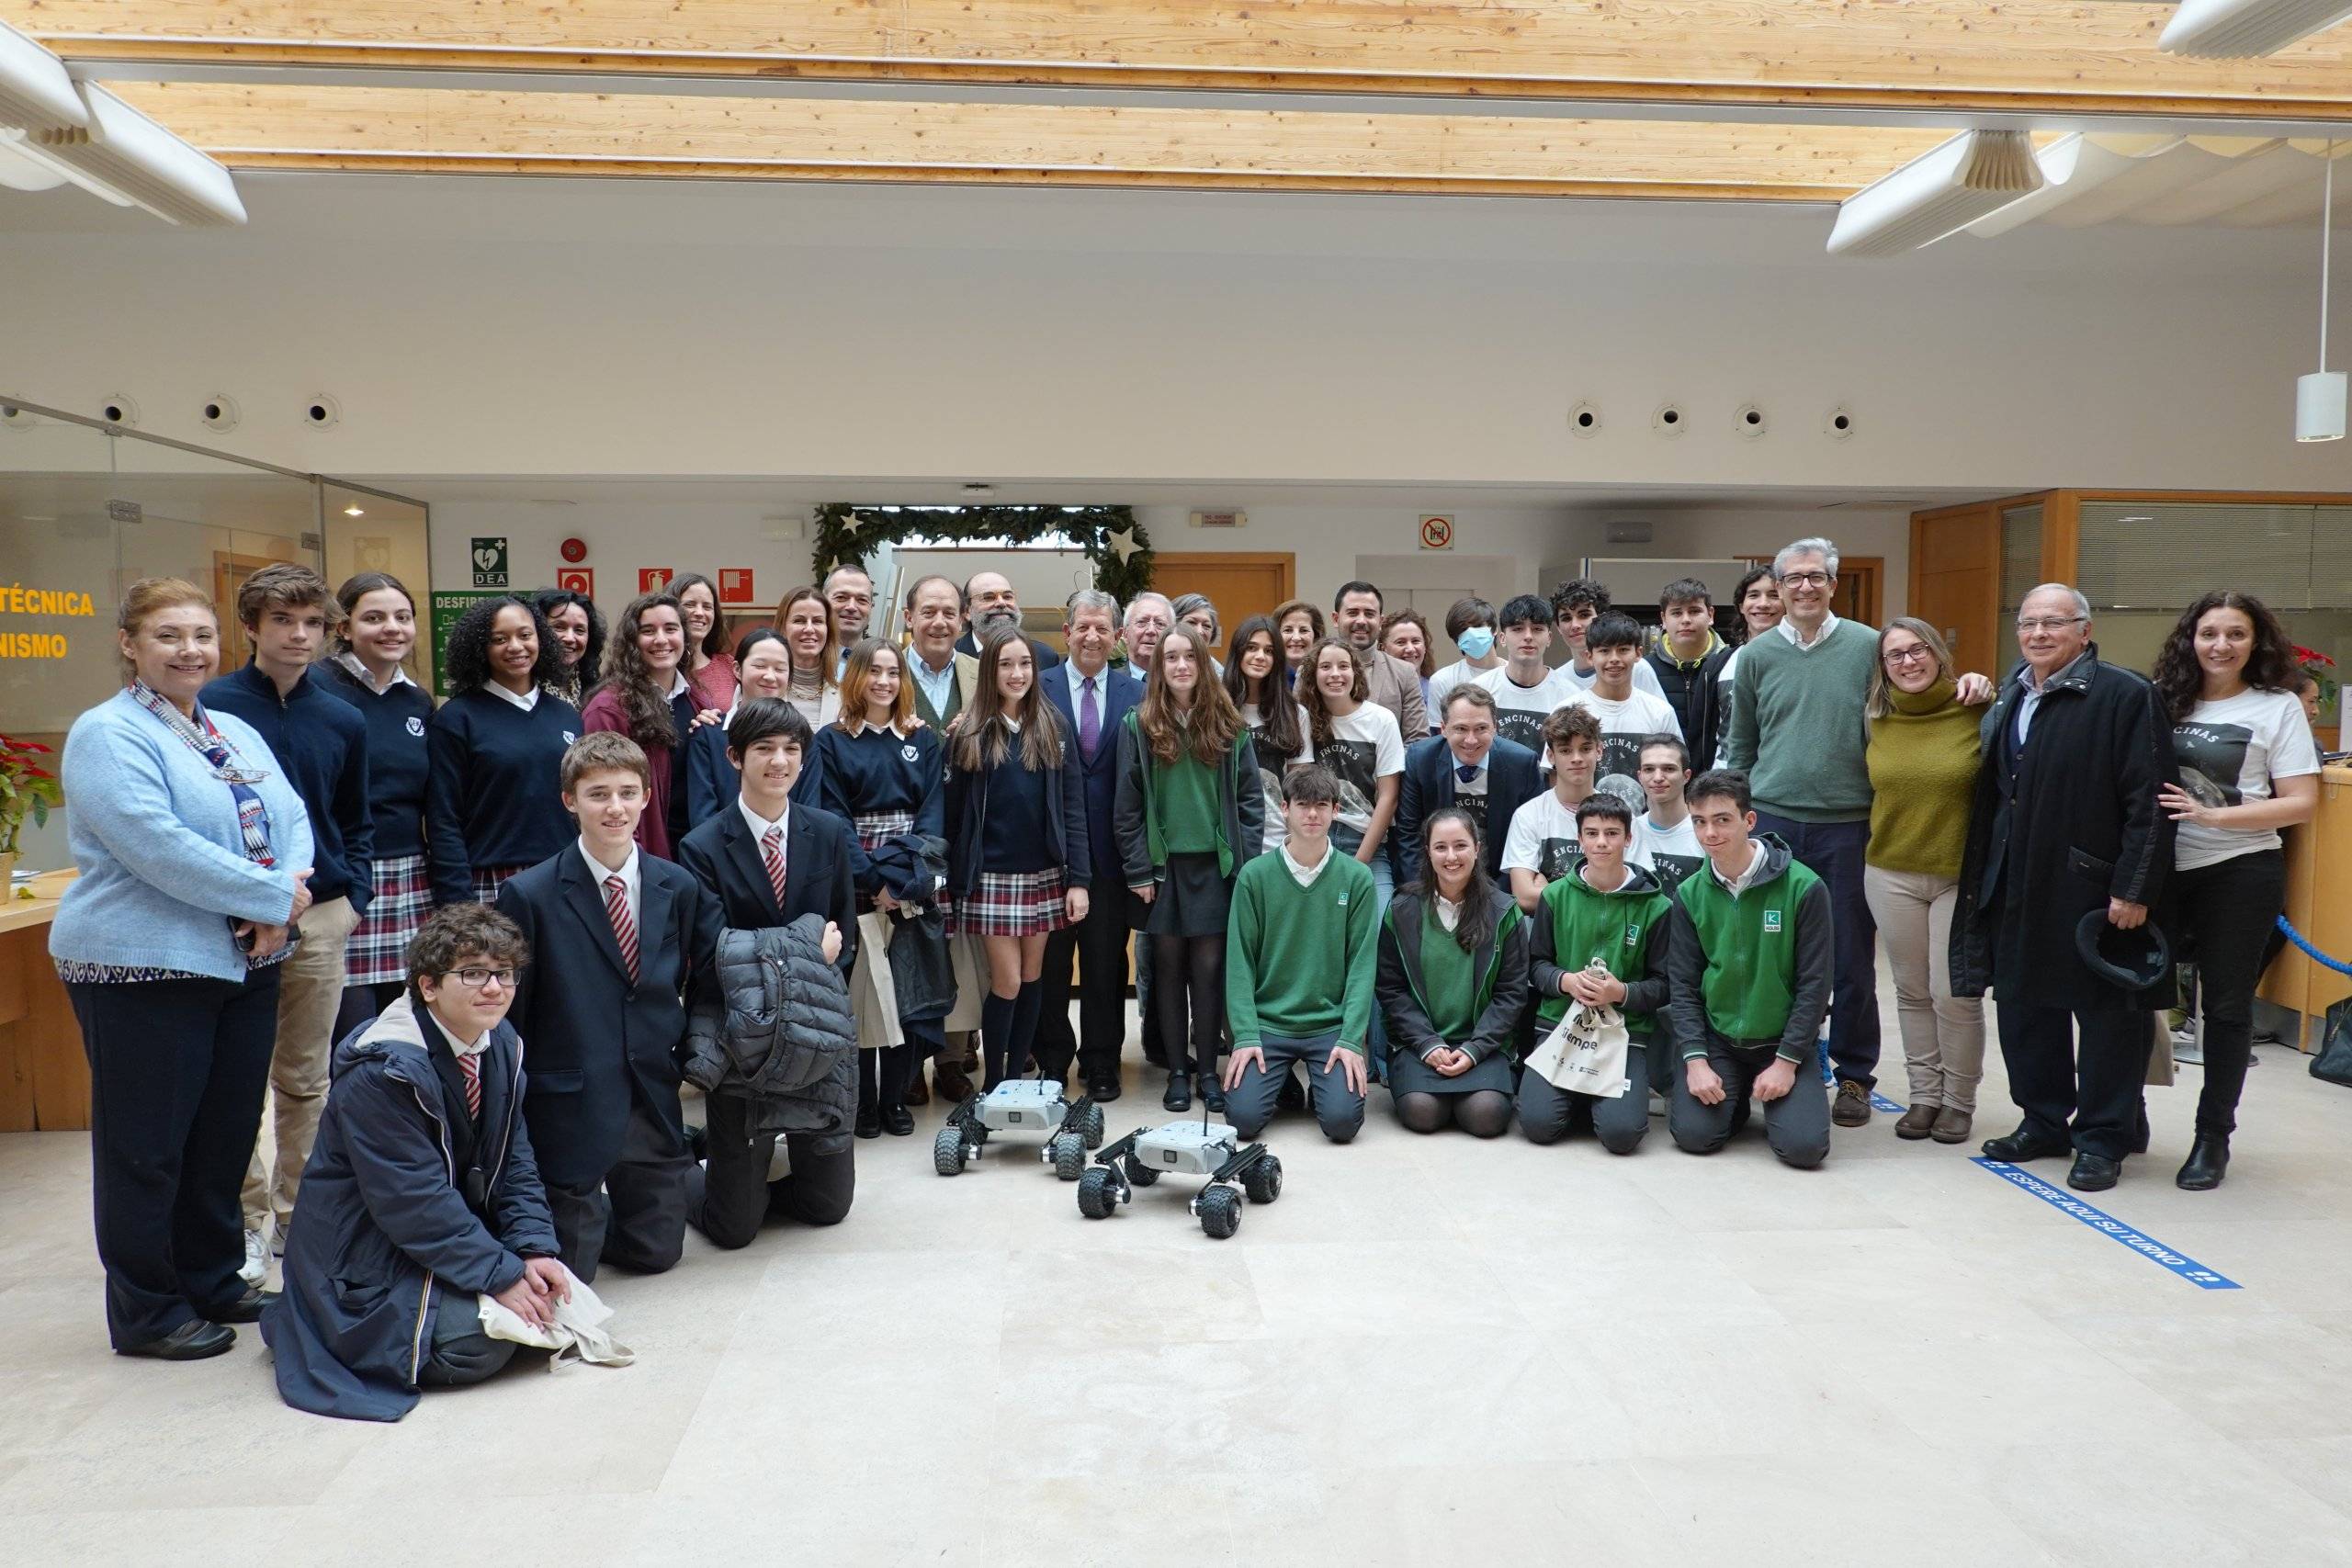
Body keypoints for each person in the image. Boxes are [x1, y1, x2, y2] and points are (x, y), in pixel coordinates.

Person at [52, 579, 313, 1360]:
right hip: (144, 965)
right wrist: (271, 893)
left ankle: (208, 1275)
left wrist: (284, 902)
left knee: (223, 1135)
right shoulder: (108, 733)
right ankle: (147, 1308)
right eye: (168, 635)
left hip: (244, 958)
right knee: (148, 1145)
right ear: (130, 644)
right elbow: (154, 841)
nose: (190, 650)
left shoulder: (230, 728)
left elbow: (291, 815)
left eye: (201, 634)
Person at [263, 904, 565, 1420]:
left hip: (430, 1231)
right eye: (472, 974)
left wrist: (532, 1249)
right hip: (361, 1254)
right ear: (427, 986)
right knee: (477, 1345)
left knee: (551, 1287)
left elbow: (515, 1161)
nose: (494, 988)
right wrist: (501, 1275)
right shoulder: (382, 1070)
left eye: (505, 973)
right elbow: (411, 1201)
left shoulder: (501, 1042)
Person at [1954, 585, 2176, 1192]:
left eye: (2055, 622)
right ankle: (2044, 1120)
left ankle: (2105, 1136)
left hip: (2094, 885)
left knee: (2107, 1018)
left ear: (2085, 629)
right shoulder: (2014, 691)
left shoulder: (2125, 695)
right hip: (2014, 879)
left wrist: (2134, 888)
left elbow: (2151, 802)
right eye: (2029, 622)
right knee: (2025, 1007)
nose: (2039, 633)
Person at [495, 734, 718, 1280]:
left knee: (656, 1255)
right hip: (569, 1098)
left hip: (650, 1091)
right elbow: (511, 1012)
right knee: (576, 1270)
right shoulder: (529, 895)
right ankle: (578, 1208)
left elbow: (705, 977)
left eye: (626, 793)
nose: (614, 808)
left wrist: (696, 1047)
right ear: (570, 800)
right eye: (598, 794)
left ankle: (674, 1179)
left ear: (647, 796)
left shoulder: (677, 885)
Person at [202, 563, 373, 1268]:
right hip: (231, 919)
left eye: (311, 623)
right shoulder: (208, 706)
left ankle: (295, 1218)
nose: (298, 636)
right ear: (250, 627)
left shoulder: (342, 715)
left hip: (322, 916)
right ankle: (238, 1223)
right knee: (234, 1074)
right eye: (282, 621)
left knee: (305, 1077)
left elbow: (356, 820)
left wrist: (352, 900)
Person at [1717, 537, 1888, 1127]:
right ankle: (1787, 1059)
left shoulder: (1869, 647)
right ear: (1779, 588)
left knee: (1849, 956)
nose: (1805, 587)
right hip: (1775, 821)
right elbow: (1741, 742)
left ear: (1833, 585)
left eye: (1816, 577)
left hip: (1847, 824)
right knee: (1776, 952)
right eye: (1794, 579)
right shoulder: (1758, 654)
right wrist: (1736, 818)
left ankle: (1856, 1077)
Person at [675, 699, 864, 1232]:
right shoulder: (703, 846)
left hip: (816, 1029)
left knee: (828, 1210)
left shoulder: (827, 832)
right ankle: (692, 1171)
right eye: (764, 749)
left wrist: (778, 958)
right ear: (735, 757)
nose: (779, 761)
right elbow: (716, 959)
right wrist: (807, 954)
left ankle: (758, 1178)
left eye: (791, 750)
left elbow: (841, 940)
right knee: (733, 1228)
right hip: (739, 1034)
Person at [2151, 591, 2319, 1190]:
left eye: (2236, 634)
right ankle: (2119, 1120)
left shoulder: (2276, 707)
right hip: (2161, 870)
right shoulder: (2165, 697)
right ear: (2190, 638)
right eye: (2209, 633)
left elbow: (2303, 800)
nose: (2221, 645)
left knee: (2224, 1009)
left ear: (2257, 641)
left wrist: (2215, 816)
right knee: (2130, 997)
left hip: (2240, 869)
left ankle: (2211, 1136)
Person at [1114, 624, 1262, 1111]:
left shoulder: (1230, 726)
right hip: (1162, 871)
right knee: (1168, 971)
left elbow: (1249, 803)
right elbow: (1127, 807)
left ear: (1203, 665)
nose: (1180, 666)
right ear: (1158, 668)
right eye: (1170, 658)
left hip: (1215, 869)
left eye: (1189, 658)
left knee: (1210, 972)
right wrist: (1138, 871)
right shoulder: (1137, 726)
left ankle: (1208, 1072)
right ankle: (1177, 1072)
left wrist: (1244, 867)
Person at [817, 638, 963, 1116]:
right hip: (857, 882)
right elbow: (835, 820)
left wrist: (904, 884)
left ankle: (897, 1098)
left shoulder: (921, 738)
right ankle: (864, 1102)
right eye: (873, 671)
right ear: (854, 678)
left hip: (911, 881)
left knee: (908, 992)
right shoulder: (831, 741)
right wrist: (874, 883)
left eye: (893, 672)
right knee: (863, 995)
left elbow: (932, 816)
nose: (884, 681)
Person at [1664, 769, 1834, 1169]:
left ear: (1749, 820)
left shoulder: (1804, 888)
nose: (1710, 833)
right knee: (1694, 1137)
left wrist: (1788, 1060)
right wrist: (1695, 1060)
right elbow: (1683, 986)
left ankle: (1774, 1095)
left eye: (1723, 819)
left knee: (1804, 1150)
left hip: (1781, 1042)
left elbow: (1815, 985)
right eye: (1699, 822)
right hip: (1719, 1041)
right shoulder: (1689, 895)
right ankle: (1734, 1100)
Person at [945, 627, 1091, 1089]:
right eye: (1006, 664)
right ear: (991, 671)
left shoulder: (1052, 726)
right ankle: (994, 1084)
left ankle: (1016, 1080)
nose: (1017, 673)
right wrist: (950, 880)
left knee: (1033, 978)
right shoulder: (969, 732)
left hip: (1044, 874)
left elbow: (1073, 810)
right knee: (1005, 982)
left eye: (1024, 664)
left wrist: (1079, 880)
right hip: (990, 877)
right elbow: (952, 818)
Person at [1863, 618, 1988, 1145]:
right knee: (1911, 991)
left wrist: (1985, 684)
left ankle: (1959, 1102)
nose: (1908, 662)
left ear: (1938, 654)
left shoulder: (1978, 710)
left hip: (1958, 875)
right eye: (1895, 656)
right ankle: (1924, 1097)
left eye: (1917, 651)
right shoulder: (1875, 720)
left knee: (1953, 993)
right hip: (1889, 871)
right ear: (1883, 668)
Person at [1222, 767, 1379, 1143]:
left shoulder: (1356, 879)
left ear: (1335, 811)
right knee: (1242, 1122)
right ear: (1284, 809)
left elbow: (1361, 965)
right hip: (1269, 1024)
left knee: (1342, 1125)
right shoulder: (1254, 877)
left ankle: (1311, 1084)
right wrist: (1245, 1036)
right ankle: (1282, 1082)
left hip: (1329, 1027)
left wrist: (1351, 1039)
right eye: (1303, 806)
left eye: (1321, 806)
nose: (1312, 815)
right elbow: (1239, 962)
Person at [318, 573, 435, 1038]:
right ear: (344, 628)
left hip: (411, 875)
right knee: (353, 1033)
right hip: (346, 876)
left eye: (402, 617)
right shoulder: (318, 690)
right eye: (374, 618)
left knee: (408, 1026)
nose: (392, 628)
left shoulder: (417, 700)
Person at [1519, 794, 1673, 1151]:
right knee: (1538, 1125)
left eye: (1612, 833)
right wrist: (1566, 981)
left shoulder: (1657, 906)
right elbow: (1535, 965)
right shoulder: (1555, 897)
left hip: (1624, 1033)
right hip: (1559, 1026)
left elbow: (1664, 985)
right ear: (1579, 839)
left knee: (1622, 1136)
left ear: (1629, 838)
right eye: (1592, 833)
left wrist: (1621, 993)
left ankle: (1599, 1101)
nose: (1601, 842)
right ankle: (1578, 1097)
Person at [1037, 591, 1144, 1100]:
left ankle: (1102, 1062)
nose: (1092, 636)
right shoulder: (1039, 687)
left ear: (1118, 637)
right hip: (1049, 853)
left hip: (1111, 856)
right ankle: (1053, 1060)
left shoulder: (1135, 695)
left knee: (1105, 966)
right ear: (1068, 632)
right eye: (1083, 627)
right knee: (1052, 966)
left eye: (1103, 628)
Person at [1376, 807, 1528, 1137]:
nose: (1451, 857)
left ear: (1477, 848)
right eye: (1440, 847)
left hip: (1483, 1044)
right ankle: (1424, 1081)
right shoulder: (1402, 909)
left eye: (1460, 845)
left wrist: (1475, 1050)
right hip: (1420, 1044)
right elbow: (1391, 989)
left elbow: (1511, 994)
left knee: (1486, 1116)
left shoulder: (1504, 911)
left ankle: (1479, 1083)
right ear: (1428, 852)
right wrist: (1428, 1044)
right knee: (1423, 1113)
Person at [425, 595, 582, 905]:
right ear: (480, 647)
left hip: (566, 873)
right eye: (500, 639)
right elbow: (443, 818)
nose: (516, 647)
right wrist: (458, 899)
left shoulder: (567, 716)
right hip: (490, 879)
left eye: (525, 635)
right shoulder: (456, 719)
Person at [581, 591, 702, 860]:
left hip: (694, 855)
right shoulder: (609, 709)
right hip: (642, 857)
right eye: (648, 630)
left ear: (685, 637)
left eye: (671, 628)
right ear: (632, 641)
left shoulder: (697, 701)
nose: (661, 640)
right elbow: (603, 794)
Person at [682, 627, 828, 830]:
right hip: (721, 856)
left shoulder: (804, 740)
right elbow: (702, 817)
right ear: (737, 670)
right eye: (760, 666)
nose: (770, 676)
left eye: (780, 669)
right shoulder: (708, 734)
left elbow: (809, 814)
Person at [1395, 685, 1542, 886]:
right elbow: (1409, 834)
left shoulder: (1523, 763)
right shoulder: (1421, 759)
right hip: (1435, 879)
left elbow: (1530, 841)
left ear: (1495, 727)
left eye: (1481, 728)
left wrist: (1500, 897)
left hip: (1499, 881)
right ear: (1443, 728)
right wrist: (1426, 892)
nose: (1471, 740)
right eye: (1461, 729)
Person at [1298, 635, 1406, 906]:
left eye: (1343, 666)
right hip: (1314, 840)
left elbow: (1388, 797)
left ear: (1355, 673)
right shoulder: (1303, 718)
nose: (1335, 674)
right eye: (1325, 667)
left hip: (1366, 843)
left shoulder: (1381, 720)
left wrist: (1359, 863)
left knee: (1379, 924)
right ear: (1313, 675)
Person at [1575, 611, 1684, 807]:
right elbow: (1558, 779)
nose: (1614, 659)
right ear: (1589, 656)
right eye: (1604, 651)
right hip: (1586, 830)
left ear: (1639, 654)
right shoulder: (1571, 711)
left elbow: (1675, 777)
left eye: (1623, 650)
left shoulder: (1660, 712)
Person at [1501, 705, 1605, 910]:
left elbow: (1628, 893)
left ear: (1599, 751)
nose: (1576, 758)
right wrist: (1597, 894)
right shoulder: (1529, 815)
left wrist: (1549, 890)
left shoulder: (1620, 813)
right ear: (1550, 756)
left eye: (1585, 748)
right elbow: (1524, 898)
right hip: (1547, 938)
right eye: (1565, 750)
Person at [1226, 614, 1313, 853]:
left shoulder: (1295, 714)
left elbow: (1301, 786)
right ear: (1238, 653)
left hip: (1277, 840)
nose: (1260, 657)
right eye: (1251, 648)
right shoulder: (1217, 708)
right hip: (1227, 837)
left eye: (1269, 650)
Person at [1645, 577, 1733, 771]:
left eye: (1694, 611)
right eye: (1676, 613)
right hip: (1661, 783)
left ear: (1710, 615)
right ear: (1663, 619)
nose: (1685, 619)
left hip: (1719, 781)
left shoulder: (1731, 665)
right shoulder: (1645, 670)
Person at [1473, 594, 1576, 754]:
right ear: (1502, 638)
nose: (1528, 636)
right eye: (1518, 629)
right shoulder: (1479, 690)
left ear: (1549, 638)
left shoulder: (1570, 696)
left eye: (1537, 629)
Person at [1332, 581, 1430, 740]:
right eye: (1353, 613)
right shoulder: (1311, 670)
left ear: (1380, 622)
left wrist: (1389, 764)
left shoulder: (1404, 673)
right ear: (1336, 619)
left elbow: (1416, 740)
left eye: (1370, 614)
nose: (1362, 620)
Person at [1550, 578, 1668, 700]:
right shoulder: (1557, 679)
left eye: (1584, 615)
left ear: (1602, 617)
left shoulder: (1636, 668)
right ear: (1558, 627)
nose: (1575, 625)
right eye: (1566, 618)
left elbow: (1659, 716)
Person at [1629, 735, 1704, 896]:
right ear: (1639, 776)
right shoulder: (1629, 831)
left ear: (1686, 776)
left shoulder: (1706, 831)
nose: (1658, 778)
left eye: (1669, 769)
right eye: (1649, 769)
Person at [905, 573, 980, 728]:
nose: (939, 622)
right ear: (909, 618)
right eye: (929, 613)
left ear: (960, 620)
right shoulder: (883, 674)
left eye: (949, 613)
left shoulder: (984, 674)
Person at [955, 570, 1064, 672]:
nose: (1001, 603)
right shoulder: (952, 656)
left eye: (1007, 596)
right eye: (988, 597)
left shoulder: (1044, 656)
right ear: (967, 611)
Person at [1714, 565, 1785, 724]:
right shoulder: (1718, 665)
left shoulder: (1801, 660)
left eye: (1773, 595)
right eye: (1753, 595)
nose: (1763, 604)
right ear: (1741, 606)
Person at [773, 584, 843, 729]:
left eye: (818, 621)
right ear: (782, 627)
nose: (810, 629)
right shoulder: (760, 685)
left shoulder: (846, 694)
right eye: (799, 621)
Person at [671, 571, 739, 712]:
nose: (700, 613)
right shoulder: (660, 666)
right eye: (690, 604)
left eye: (707, 606)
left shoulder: (728, 666)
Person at [1427, 598, 1501, 718]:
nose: (1471, 633)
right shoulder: (1442, 680)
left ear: (1494, 630)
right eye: (1463, 630)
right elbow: (1438, 733)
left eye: (1478, 626)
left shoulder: (1514, 675)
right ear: (1456, 639)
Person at [533, 586, 605, 709]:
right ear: (536, 629)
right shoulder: (523, 689)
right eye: (559, 627)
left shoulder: (595, 693)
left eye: (579, 630)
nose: (570, 638)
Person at [1381, 608, 1439, 735]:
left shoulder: (1437, 690)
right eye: (1400, 642)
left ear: (1425, 647)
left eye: (1416, 641)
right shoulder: (1376, 691)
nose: (1410, 649)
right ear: (1383, 648)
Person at [822, 564, 876, 673]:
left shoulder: (883, 663)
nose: (851, 607)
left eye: (862, 600)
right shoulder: (800, 659)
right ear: (823, 602)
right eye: (841, 597)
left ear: (871, 606)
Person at [1123, 592, 1175, 683]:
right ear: (1126, 634)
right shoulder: (1107, 683)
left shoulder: (1186, 684)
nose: (1151, 630)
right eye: (1141, 622)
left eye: (1160, 624)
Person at [1272, 599, 1326, 679]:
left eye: (1304, 630)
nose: (1296, 638)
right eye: (1288, 630)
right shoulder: (1265, 679)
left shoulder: (1327, 676)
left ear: (1316, 636)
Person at [1171, 592, 1224, 669]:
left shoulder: (1218, 675)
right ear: (1173, 624)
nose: (1199, 631)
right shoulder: (1154, 664)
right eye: (1191, 622)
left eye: (1206, 626)